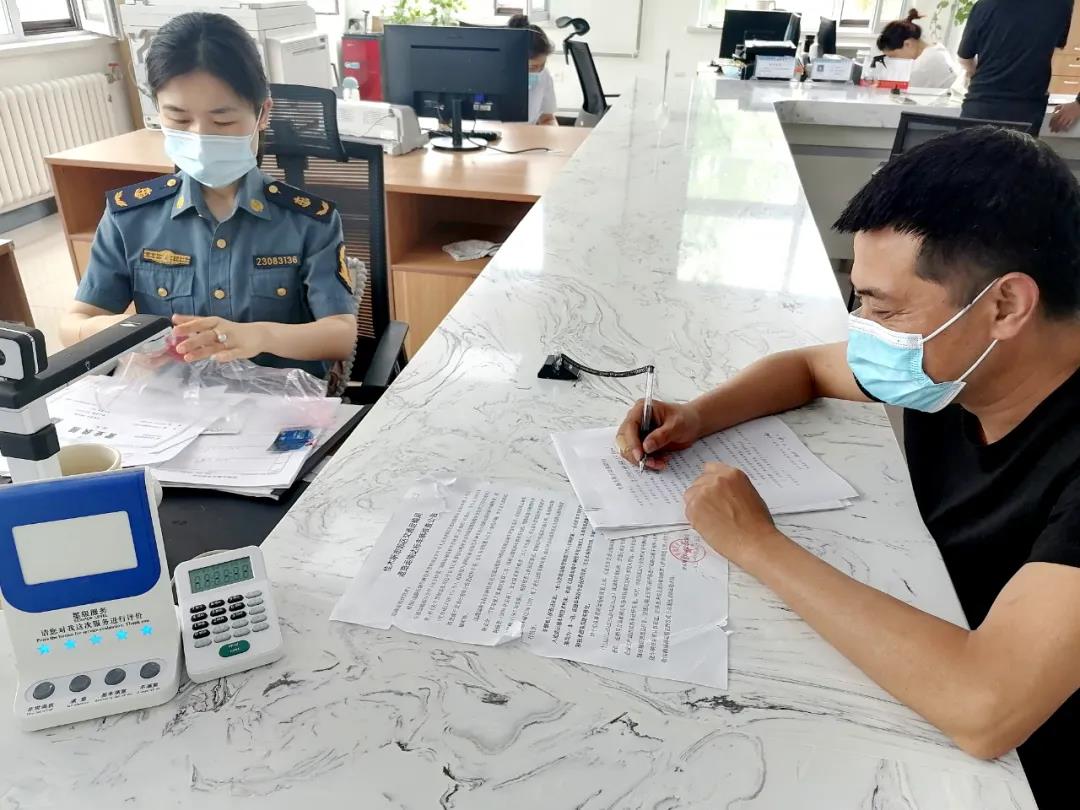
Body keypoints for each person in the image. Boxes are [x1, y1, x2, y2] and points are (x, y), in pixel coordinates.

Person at [615, 127, 1080, 810]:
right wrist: (698, 415)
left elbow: (986, 707)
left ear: (1004, 306)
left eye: (885, 308)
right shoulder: (958, 365)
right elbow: (806, 368)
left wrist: (754, 541)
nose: (864, 327)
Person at [60, 12, 357, 378]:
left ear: (263, 113)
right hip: (171, 402)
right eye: (179, 119)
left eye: (222, 121)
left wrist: (259, 336)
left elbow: (340, 335)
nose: (200, 137)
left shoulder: (308, 221)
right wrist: (131, 334)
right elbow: (74, 324)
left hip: (277, 400)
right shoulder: (130, 217)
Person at [957, 0, 1073, 134]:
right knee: (1020, 148)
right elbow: (1054, 48)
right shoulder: (1061, 5)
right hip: (1027, 110)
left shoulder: (985, 5)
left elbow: (965, 58)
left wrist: (973, 72)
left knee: (971, 147)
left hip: (980, 104)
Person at [876, 9, 959, 90]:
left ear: (907, 44)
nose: (896, 60)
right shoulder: (936, 48)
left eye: (894, 56)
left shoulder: (923, 66)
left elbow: (901, 92)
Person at [508, 14, 558, 126]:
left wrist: (554, 132)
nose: (538, 71)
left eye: (542, 65)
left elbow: (547, 118)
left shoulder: (544, 75)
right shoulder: (493, 79)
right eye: (532, 68)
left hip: (528, 135)